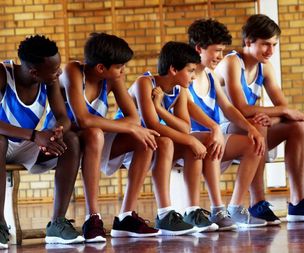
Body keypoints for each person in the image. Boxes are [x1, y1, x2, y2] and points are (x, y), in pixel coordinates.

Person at [44, 33, 160, 241]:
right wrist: (129, 127)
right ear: (100, 68)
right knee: (97, 132)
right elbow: (83, 119)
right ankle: (93, 217)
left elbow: (133, 118)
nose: (123, 71)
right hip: (61, 144)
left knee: (145, 139)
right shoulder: (73, 71)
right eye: (119, 67)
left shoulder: (113, 80)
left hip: (93, 141)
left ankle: (126, 216)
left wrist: (133, 129)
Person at [215, 14, 304, 223]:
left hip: (249, 128)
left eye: (274, 44)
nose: (271, 51)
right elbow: (241, 108)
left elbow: (283, 107)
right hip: (223, 130)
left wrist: (274, 116)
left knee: (297, 126)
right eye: (265, 44)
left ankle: (298, 203)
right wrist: (277, 113)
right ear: (248, 41)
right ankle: (257, 203)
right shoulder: (231, 62)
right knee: (258, 122)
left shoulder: (265, 67)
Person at [119, 41, 231, 233]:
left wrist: (159, 108)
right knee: (169, 142)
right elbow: (152, 124)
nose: (194, 76)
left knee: (190, 142)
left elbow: (184, 126)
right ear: (173, 69)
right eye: (190, 71)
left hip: (152, 142)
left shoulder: (181, 90)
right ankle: (164, 213)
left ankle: (192, 210)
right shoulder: (144, 83)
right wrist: (189, 139)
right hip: (127, 143)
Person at [0, 35, 84, 247]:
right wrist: (35, 135)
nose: (60, 72)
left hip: (25, 144)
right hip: (5, 142)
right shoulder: (3, 74)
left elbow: (63, 116)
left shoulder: (49, 81)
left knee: (72, 140)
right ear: (34, 72)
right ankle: (0, 224)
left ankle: (57, 223)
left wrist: (56, 131)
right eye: (54, 69)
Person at [187, 18, 267, 227]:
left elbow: (229, 108)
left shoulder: (211, 76)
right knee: (214, 138)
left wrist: (252, 130)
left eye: (223, 51)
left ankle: (235, 207)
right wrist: (215, 129)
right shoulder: (185, 76)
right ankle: (216, 209)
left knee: (254, 145)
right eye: (217, 51)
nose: (220, 57)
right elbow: (188, 110)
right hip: (187, 139)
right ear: (199, 48)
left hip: (212, 138)